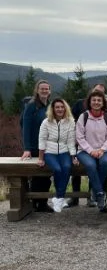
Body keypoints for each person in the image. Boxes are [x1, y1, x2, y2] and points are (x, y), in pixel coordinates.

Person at [76, 90, 107, 213]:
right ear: (89, 102)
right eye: (94, 100)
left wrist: (102, 149)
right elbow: (79, 137)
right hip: (85, 151)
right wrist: (91, 151)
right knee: (91, 165)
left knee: (106, 163)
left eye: (99, 100)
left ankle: (94, 191)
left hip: (104, 150)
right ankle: (100, 193)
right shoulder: (84, 117)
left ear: (103, 102)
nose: (96, 102)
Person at [69, 83, 107, 208]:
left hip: (99, 148)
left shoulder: (105, 112)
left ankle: (93, 196)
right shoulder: (80, 105)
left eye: (101, 94)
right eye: (96, 91)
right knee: (76, 173)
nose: (97, 97)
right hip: (80, 145)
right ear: (91, 92)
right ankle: (75, 198)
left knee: (94, 166)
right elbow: (70, 118)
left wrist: (101, 149)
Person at [37, 98, 78, 212]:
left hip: (64, 150)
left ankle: (58, 198)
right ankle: (60, 197)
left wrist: (73, 157)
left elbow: (71, 141)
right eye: (57, 107)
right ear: (53, 109)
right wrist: (41, 158)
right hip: (50, 151)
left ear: (65, 108)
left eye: (62, 107)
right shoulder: (46, 122)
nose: (60, 109)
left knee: (67, 167)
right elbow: (42, 140)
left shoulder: (70, 121)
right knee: (57, 169)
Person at [21, 79, 53, 213]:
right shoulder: (31, 106)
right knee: (37, 175)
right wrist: (27, 148)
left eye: (46, 89)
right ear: (37, 90)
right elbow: (25, 127)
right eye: (42, 89)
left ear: (49, 91)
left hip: (48, 146)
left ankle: (43, 202)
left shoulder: (49, 106)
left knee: (45, 175)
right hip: (34, 146)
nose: (44, 91)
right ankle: (35, 203)